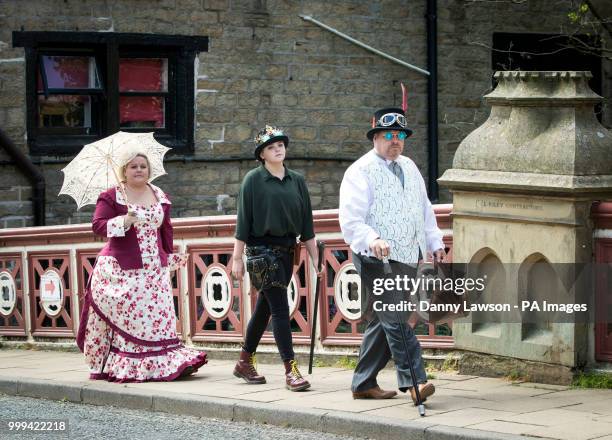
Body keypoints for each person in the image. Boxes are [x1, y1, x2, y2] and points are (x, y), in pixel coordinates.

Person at [339, 107, 446, 403]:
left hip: (408, 256)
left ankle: (363, 383)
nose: (395, 141)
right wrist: (372, 239)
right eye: (388, 135)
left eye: (400, 135)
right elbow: (350, 221)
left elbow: (423, 210)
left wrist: (435, 241)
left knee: (383, 321)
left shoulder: (410, 166)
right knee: (397, 318)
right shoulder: (359, 171)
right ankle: (414, 382)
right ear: (375, 137)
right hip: (376, 260)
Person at [77, 148, 207, 382]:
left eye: (143, 166)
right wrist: (123, 221)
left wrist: (168, 255)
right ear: (124, 171)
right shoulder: (111, 196)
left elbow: (165, 228)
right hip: (124, 267)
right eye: (133, 166)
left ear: (149, 170)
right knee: (135, 319)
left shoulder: (158, 194)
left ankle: (166, 362)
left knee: (160, 316)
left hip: (155, 268)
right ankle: (133, 366)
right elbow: (97, 225)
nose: (139, 169)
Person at [231, 125, 321, 391]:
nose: (278, 149)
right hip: (261, 253)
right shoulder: (253, 180)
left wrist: (317, 261)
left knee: (265, 308)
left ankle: (244, 361)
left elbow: (307, 227)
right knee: (281, 309)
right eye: (271, 147)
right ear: (262, 154)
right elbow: (242, 222)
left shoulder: (297, 180)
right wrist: (237, 258)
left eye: (280, 144)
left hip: (287, 252)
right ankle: (290, 370)